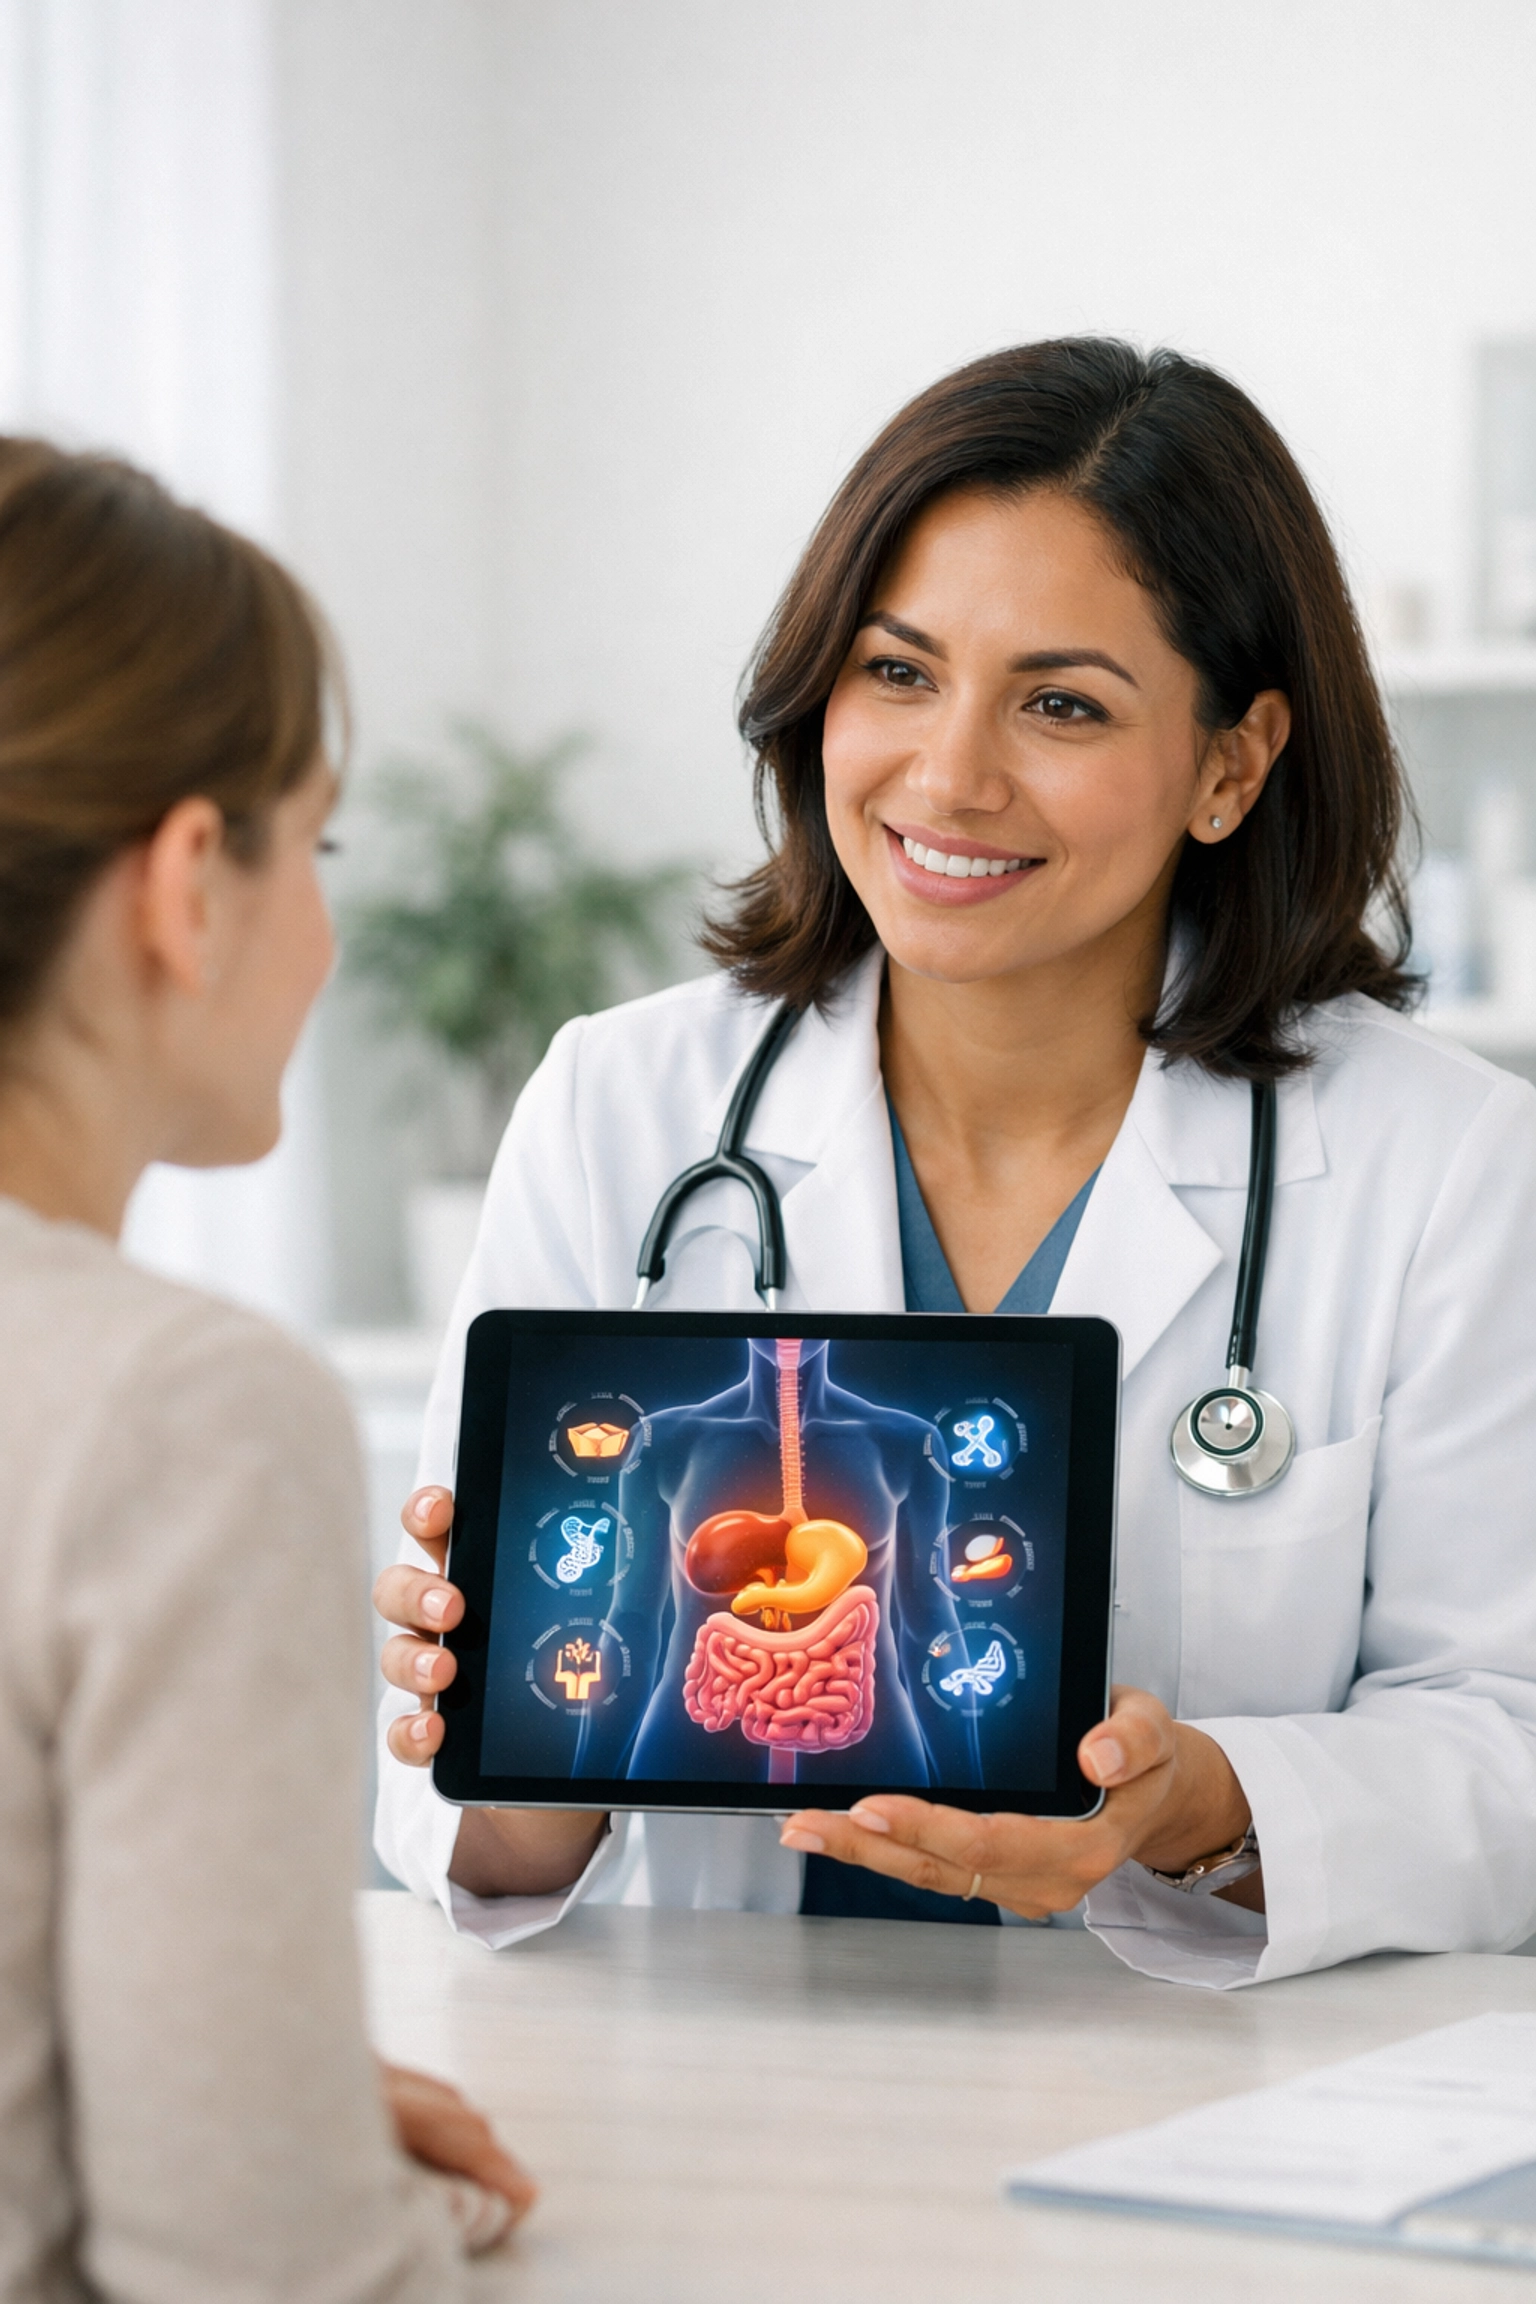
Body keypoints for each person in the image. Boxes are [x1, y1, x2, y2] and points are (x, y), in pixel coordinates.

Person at [375, 338, 1536, 1990]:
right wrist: (506, 1739)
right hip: (715, 2117)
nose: (950, 775)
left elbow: (1508, 1745)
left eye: (1061, 703)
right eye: (896, 672)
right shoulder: (618, 1105)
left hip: (1203, 2131)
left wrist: (1198, 1807)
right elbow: (461, 1837)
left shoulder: (1444, 1165)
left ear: (1232, 762)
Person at [0, 437, 533, 2301]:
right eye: (312, 844)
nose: (321, 923)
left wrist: (260, 2099)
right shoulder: (175, 1413)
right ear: (182, 888)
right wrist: (373, 2202)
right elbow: (257, 2272)